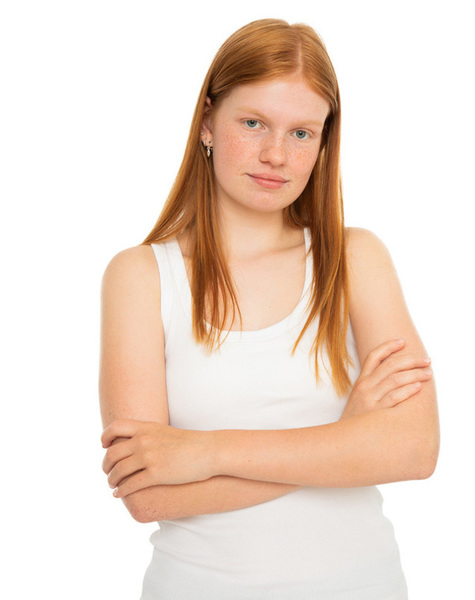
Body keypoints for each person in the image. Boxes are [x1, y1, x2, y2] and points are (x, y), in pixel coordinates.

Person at [99, 18, 439, 599]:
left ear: (324, 144)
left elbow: (414, 450)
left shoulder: (355, 259)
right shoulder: (140, 276)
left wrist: (205, 453)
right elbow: (148, 494)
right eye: (252, 122)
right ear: (207, 121)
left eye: (301, 133)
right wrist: (346, 441)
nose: (275, 154)